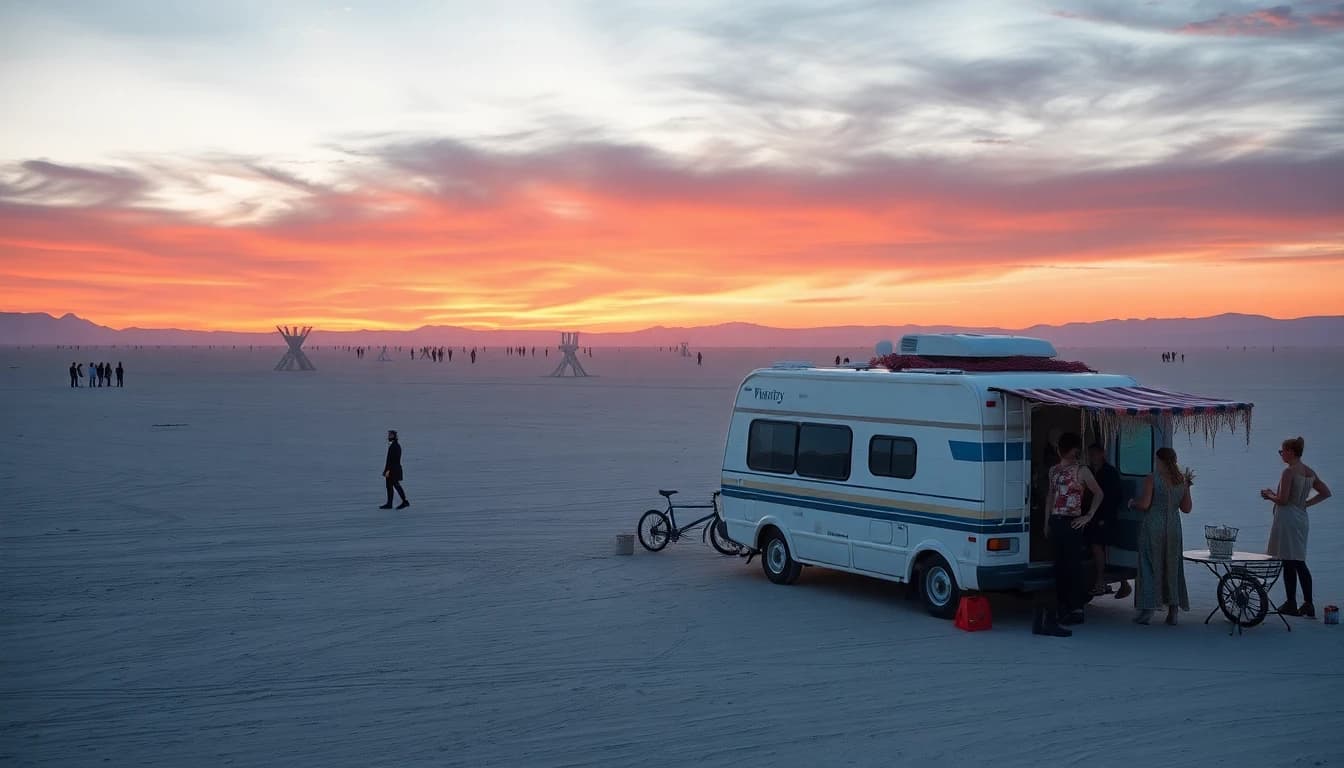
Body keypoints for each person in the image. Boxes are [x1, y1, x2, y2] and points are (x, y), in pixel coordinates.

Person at [1036, 432, 1103, 636]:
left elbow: (1098, 492)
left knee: (1073, 566)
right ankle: (1062, 605)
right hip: (1057, 520)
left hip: (1072, 520)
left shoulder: (1081, 471)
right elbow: (1051, 495)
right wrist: (1047, 521)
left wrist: (1088, 515)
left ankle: (1076, 607)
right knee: (1060, 566)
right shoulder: (1054, 470)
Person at [1261, 436, 1331, 618]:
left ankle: (1292, 602)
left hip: (1287, 519)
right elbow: (1325, 492)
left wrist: (1269, 495)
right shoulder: (1309, 471)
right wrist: (1306, 504)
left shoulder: (1289, 472)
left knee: (1290, 560)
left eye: (1282, 451)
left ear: (1290, 452)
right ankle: (1306, 603)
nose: (1281, 454)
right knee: (1297, 559)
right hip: (1301, 517)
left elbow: (1283, 500)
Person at [1128, 447, 1191, 625]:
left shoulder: (1152, 478)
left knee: (1149, 564)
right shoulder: (1182, 480)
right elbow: (1187, 508)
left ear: (1160, 461)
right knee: (1173, 566)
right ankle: (1173, 611)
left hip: (1154, 526)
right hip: (1173, 526)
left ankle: (1147, 609)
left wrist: (1133, 503)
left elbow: (1146, 504)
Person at [1084, 443, 1129, 599]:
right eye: (1090, 454)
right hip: (1091, 515)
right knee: (1100, 548)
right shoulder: (1089, 471)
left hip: (1104, 516)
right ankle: (1122, 582)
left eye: (1095, 454)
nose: (1092, 457)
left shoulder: (1110, 472)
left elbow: (1114, 497)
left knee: (1098, 547)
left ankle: (1100, 581)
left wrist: (1105, 517)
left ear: (1102, 454)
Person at [380, 430, 410, 510]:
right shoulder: (393, 445)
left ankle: (405, 502)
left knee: (396, 485)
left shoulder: (395, 446)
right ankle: (389, 503)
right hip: (392, 469)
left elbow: (394, 460)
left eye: (390, 435)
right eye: (389, 435)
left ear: (394, 436)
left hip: (394, 470)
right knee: (389, 486)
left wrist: (388, 470)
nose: (389, 436)